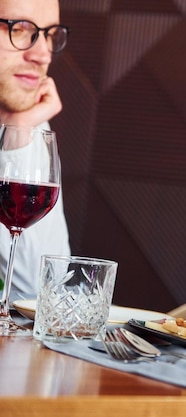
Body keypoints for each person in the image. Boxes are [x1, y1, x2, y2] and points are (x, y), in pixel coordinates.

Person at [0, 0, 71, 297]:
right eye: (21, 28)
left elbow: (40, 291)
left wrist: (19, 133)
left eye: (49, 34)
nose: (42, 54)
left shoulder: (30, 124)